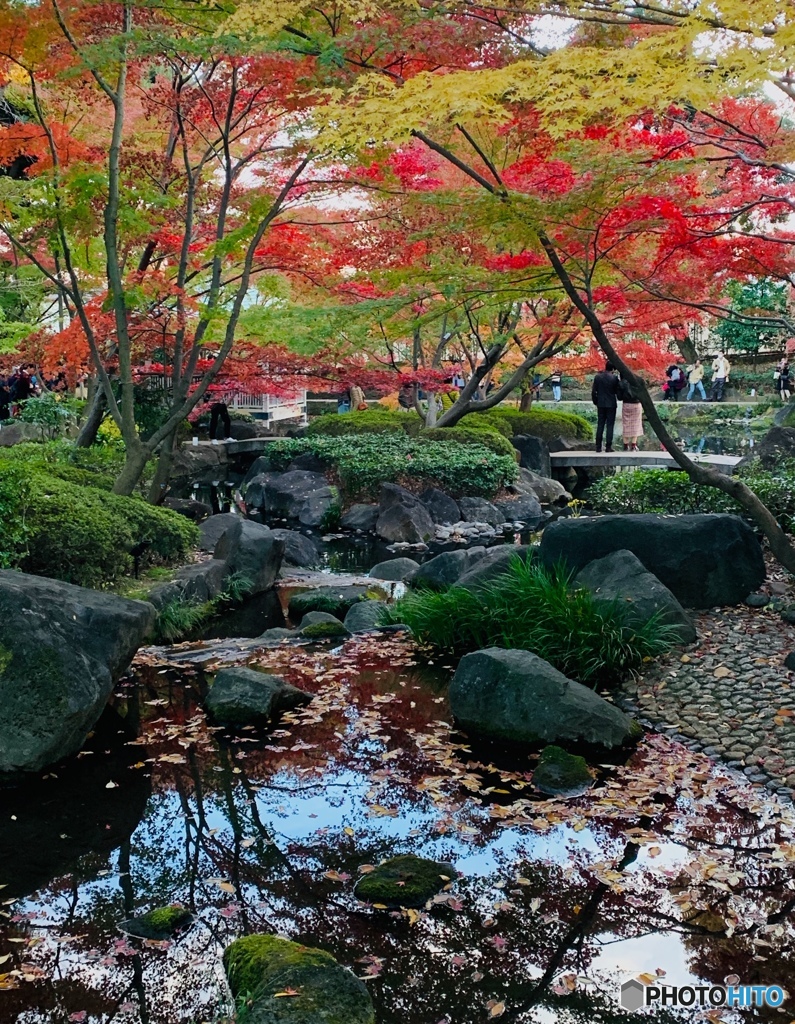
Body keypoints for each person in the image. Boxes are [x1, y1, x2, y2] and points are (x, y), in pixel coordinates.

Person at [591, 361, 621, 453]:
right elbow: (617, 392)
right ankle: (608, 446)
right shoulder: (614, 378)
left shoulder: (598, 377)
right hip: (611, 403)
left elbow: (593, 391)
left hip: (601, 403)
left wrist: (596, 401)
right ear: (613, 369)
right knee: (610, 425)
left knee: (600, 424)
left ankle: (598, 446)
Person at [620, 375, 642, 451]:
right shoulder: (637, 381)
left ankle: (625, 445)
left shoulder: (622, 382)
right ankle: (633, 445)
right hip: (636, 404)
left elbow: (619, 397)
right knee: (636, 424)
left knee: (626, 424)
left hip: (626, 404)